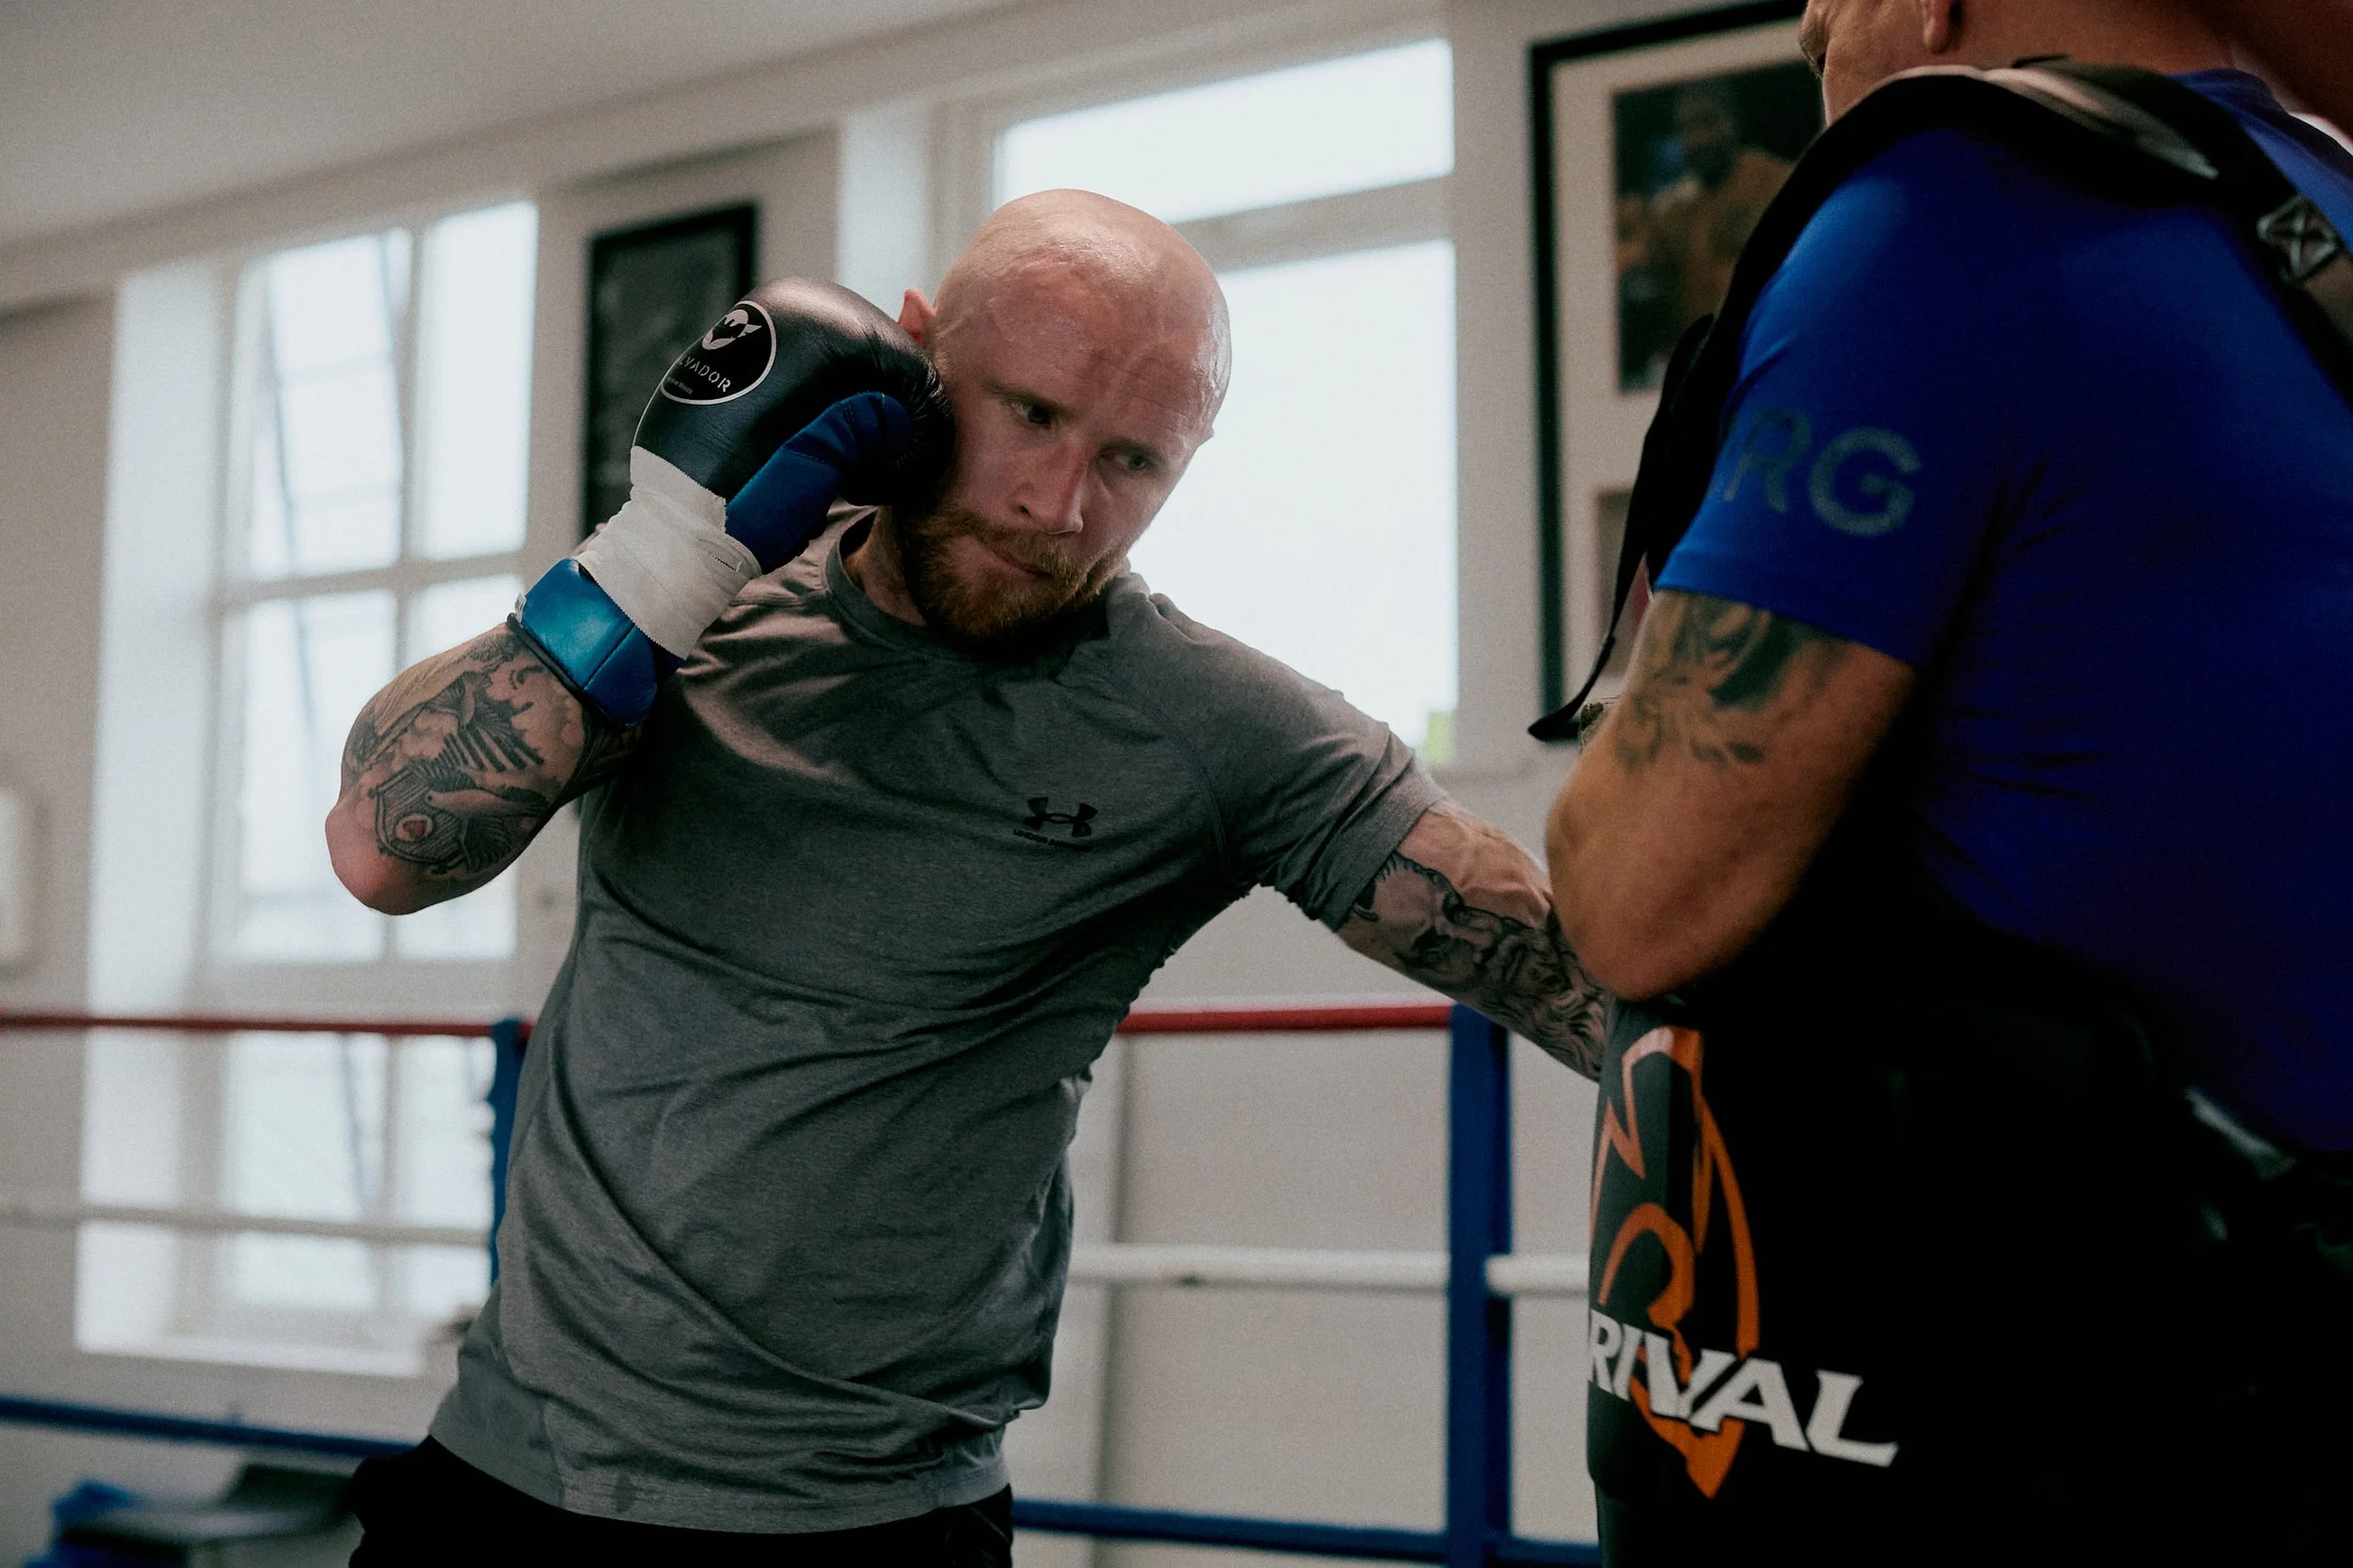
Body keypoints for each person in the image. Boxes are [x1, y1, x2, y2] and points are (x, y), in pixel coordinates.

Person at [328, 189, 1609, 1562]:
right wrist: (659, 549)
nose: (1058, 505)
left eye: (1133, 461)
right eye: (1033, 414)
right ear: (916, 352)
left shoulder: (1213, 728)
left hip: (871, 1518)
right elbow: (382, 849)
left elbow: (1584, 979)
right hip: (510, 1470)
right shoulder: (688, 615)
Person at [1547, 0, 2353, 1561]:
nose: (1809, 17)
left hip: (2047, 1405)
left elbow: (1640, 895)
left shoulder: (1946, 213)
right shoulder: (2313, 221)